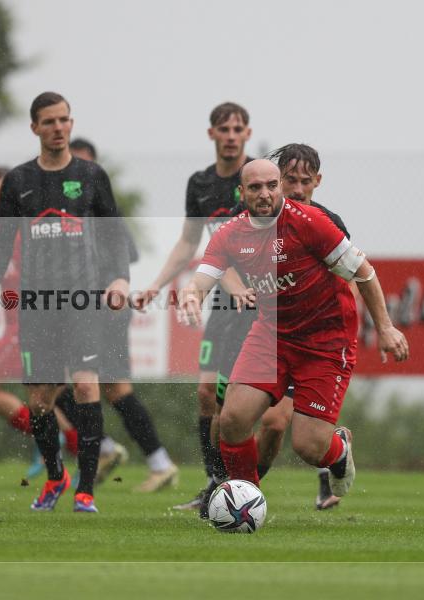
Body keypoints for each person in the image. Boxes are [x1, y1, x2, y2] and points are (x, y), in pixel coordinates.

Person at [179, 159, 408, 501]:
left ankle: (339, 450)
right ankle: (246, 498)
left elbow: (364, 271)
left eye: (272, 185)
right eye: (255, 187)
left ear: (280, 187)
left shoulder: (311, 223)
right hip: (272, 335)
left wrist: (386, 327)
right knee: (232, 419)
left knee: (309, 445)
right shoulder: (230, 233)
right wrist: (191, 295)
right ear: (242, 193)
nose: (265, 193)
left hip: (326, 341)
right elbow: (203, 276)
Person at [0, 92, 130, 513]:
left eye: (64, 120)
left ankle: (87, 490)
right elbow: (4, 241)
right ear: (35, 128)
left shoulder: (92, 175)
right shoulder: (18, 181)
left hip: (82, 301)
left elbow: (114, 233)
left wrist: (119, 277)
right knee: (40, 400)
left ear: (70, 123)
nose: (58, 128)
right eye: (49, 122)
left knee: (84, 384)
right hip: (36, 306)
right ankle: (56, 476)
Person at [132, 102, 252, 511]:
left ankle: (245, 484)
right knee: (205, 393)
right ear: (212, 135)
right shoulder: (200, 184)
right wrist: (155, 285)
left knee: (252, 407)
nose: (231, 135)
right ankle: (215, 483)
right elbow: (189, 243)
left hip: (261, 303)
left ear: (247, 134)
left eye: (238, 128)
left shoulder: (257, 180)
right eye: (224, 128)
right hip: (223, 301)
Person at [217, 143, 350, 509]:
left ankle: (246, 493)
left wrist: (359, 330)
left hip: (314, 343)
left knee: (278, 424)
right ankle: (237, 491)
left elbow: (351, 278)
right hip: (265, 332)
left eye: (304, 181)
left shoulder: (326, 223)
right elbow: (221, 260)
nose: (296, 189)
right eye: (288, 180)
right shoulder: (247, 215)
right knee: (228, 414)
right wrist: (237, 288)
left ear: (317, 182)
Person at [67, 137, 178, 492]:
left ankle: (131, 455)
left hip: (105, 309)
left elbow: (125, 255)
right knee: (90, 387)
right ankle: (147, 459)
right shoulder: (59, 214)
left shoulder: (102, 213)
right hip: (73, 308)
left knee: (97, 386)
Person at [0, 167, 80, 461]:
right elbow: (9, 268)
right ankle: (80, 445)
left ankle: (71, 444)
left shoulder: (27, 222)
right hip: (17, 323)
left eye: (3, 188)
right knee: (44, 395)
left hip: (30, 321)